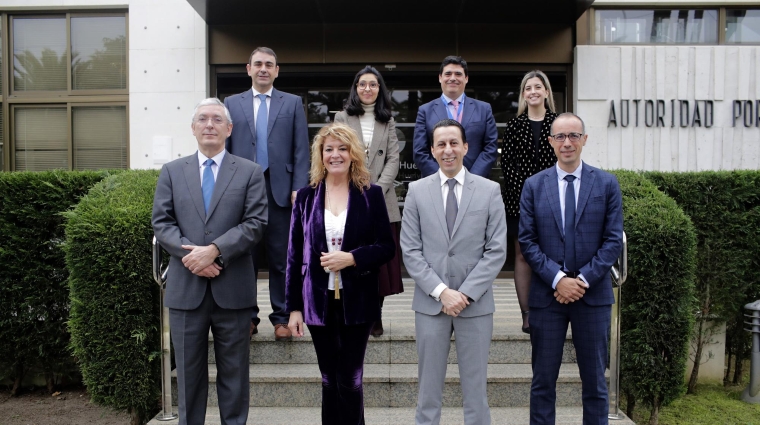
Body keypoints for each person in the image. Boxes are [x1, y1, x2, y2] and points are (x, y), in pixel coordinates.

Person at [152, 98, 268, 425]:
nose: (209, 125)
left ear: (229, 129)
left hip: (233, 291)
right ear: (193, 128)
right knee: (189, 378)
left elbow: (256, 223)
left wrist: (214, 250)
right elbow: (162, 223)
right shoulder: (172, 172)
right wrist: (195, 257)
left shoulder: (250, 172)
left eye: (217, 119)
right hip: (186, 292)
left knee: (234, 378)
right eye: (202, 119)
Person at [285, 123, 395, 425]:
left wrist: (352, 258)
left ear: (353, 153)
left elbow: (386, 247)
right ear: (320, 155)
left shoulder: (370, 194)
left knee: (350, 376)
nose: (335, 155)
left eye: (342, 148)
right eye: (329, 149)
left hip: (358, 301)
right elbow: (294, 256)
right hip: (316, 302)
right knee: (328, 378)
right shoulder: (306, 197)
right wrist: (293, 308)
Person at [518, 113, 623, 425]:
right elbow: (527, 241)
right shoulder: (534, 186)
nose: (567, 142)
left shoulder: (606, 184)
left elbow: (612, 240)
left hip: (593, 299)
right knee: (542, 384)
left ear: (585, 139)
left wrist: (582, 280)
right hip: (547, 298)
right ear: (551, 141)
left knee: (594, 384)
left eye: (574, 135)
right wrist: (559, 279)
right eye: (560, 137)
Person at [401, 119, 507, 425]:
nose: (448, 150)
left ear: (466, 147)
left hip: (475, 305)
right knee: (428, 391)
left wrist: (464, 294)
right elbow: (410, 250)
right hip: (430, 305)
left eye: (453, 143)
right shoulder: (417, 191)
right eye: (441, 144)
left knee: (475, 392)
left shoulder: (489, 191)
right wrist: (441, 292)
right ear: (432, 150)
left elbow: (496, 250)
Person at [224, 46, 310, 341]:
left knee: (281, 257)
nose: (263, 68)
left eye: (269, 64)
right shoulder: (231, 103)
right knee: (244, 255)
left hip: (282, 193)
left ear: (277, 70)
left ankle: (282, 317)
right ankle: (247, 316)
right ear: (248, 68)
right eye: (258, 64)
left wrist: (299, 187)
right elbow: (227, 149)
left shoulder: (292, 103)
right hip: (242, 192)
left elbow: (301, 149)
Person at [334, 65, 402, 337]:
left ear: (380, 89)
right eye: (362, 84)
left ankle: (376, 314)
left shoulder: (389, 120)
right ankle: (353, 310)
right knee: (352, 257)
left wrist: (375, 189)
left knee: (379, 262)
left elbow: (393, 159)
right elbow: (336, 154)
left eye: (373, 84)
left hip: (381, 200)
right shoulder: (341, 117)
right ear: (355, 88)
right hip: (348, 196)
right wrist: (356, 186)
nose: (367, 89)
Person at [501, 70, 559, 334]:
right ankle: (526, 314)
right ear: (523, 95)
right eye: (528, 88)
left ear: (546, 91)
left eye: (538, 87)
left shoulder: (558, 124)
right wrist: (526, 196)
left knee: (549, 252)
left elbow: (564, 162)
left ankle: (548, 308)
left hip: (554, 200)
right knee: (522, 255)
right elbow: (508, 166)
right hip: (518, 201)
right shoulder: (515, 126)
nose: (533, 92)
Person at [412, 55, 498, 179]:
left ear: (466, 78)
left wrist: (470, 178)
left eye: (458, 74)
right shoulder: (425, 111)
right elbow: (420, 152)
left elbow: (490, 148)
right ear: (440, 78)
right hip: (437, 185)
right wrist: (443, 177)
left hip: (475, 183)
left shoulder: (484, 109)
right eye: (448, 74)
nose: (453, 78)